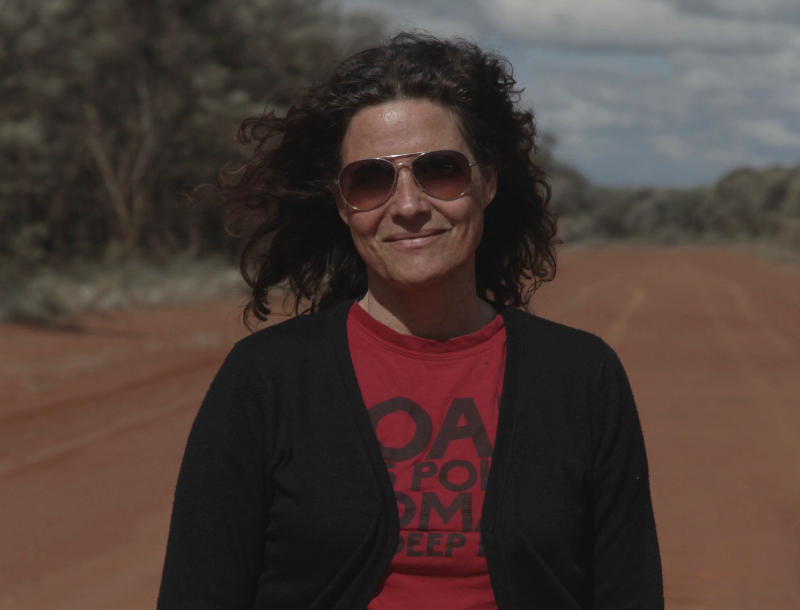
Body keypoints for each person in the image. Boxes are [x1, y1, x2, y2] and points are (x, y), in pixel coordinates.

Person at [157, 32, 663, 610]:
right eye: (371, 180)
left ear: (487, 182)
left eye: (439, 171)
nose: (407, 206)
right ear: (342, 204)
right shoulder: (266, 379)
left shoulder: (582, 377)